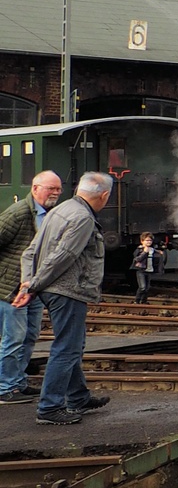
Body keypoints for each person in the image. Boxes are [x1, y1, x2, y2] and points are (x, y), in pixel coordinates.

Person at [16, 172, 113, 425]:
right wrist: (33, 286)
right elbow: (64, 256)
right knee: (67, 348)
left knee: (73, 344)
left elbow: (30, 252)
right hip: (67, 290)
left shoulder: (60, 210)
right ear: (104, 195)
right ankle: (49, 408)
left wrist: (30, 282)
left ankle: (78, 397)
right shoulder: (82, 218)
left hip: (53, 289)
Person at [0, 172, 63, 405]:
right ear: (35, 188)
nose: (56, 193)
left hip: (33, 286)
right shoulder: (18, 214)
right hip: (12, 288)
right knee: (13, 338)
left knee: (29, 336)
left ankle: (18, 383)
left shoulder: (49, 214)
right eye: (51, 188)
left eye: (58, 189)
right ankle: (5, 387)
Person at [131, 232, 163, 305]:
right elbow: (137, 259)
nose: (149, 242)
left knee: (147, 288)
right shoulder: (139, 250)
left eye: (150, 240)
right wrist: (144, 253)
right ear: (142, 241)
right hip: (141, 270)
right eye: (147, 240)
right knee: (142, 287)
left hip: (149, 270)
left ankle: (144, 301)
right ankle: (137, 300)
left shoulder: (152, 250)